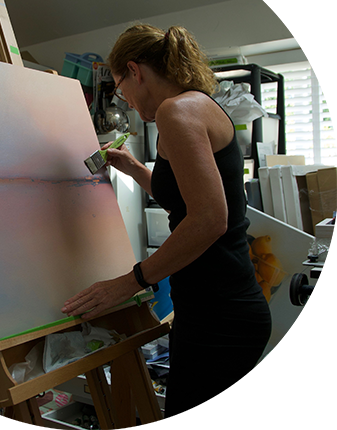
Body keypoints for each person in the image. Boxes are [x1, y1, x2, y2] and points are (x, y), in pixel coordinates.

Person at [61, 24, 272, 429]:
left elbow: (209, 219)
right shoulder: (196, 106)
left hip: (220, 316)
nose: (125, 100)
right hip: (221, 308)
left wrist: (132, 281)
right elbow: (188, 199)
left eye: (121, 88)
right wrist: (135, 168)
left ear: (135, 71)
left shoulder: (176, 112)